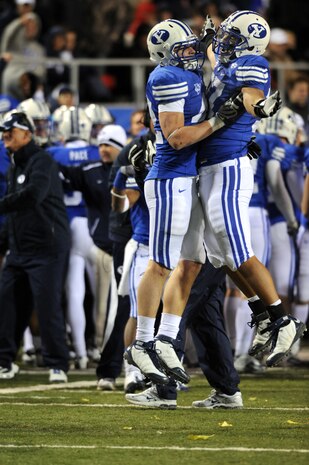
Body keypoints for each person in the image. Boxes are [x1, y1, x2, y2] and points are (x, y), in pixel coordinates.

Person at [124, 18, 247, 385]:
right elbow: (177, 137)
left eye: (192, 47)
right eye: (184, 50)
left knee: (191, 263)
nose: (192, 54)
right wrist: (219, 124)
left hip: (187, 177)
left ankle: (165, 338)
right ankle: (142, 344)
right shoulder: (167, 77)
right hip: (170, 179)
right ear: (165, 55)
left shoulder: (186, 74)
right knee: (159, 264)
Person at [196, 10, 306, 368]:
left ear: (249, 45)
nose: (225, 42)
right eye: (225, 36)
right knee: (218, 253)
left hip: (228, 166)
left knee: (238, 249)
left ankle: (283, 319)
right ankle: (259, 310)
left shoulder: (253, 62)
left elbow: (250, 95)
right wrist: (210, 40)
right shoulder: (228, 59)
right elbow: (218, 61)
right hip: (214, 162)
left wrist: (257, 108)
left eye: (232, 38)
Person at [0, 112, 70, 382]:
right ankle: (5, 361)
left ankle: (57, 364)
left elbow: (32, 196)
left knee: (47, 305)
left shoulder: (42, 162)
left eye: (10, 130)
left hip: (47, 248)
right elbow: (15, 209)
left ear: (26, 134)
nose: (5, 135)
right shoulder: (14, 165)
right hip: (20, 249)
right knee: (6, 303)